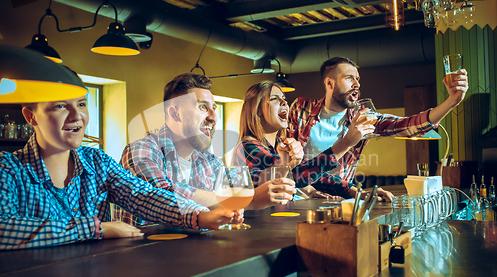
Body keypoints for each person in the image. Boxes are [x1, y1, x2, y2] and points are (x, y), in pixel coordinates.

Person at [0, 95, 240, 250]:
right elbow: (3, 228)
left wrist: (198, 215)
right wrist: (95, 228)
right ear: (30, 116)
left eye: (81, 104)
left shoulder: (97, 161)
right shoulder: (7, 169)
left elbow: (143, 195)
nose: (77, 116)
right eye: (60, 105)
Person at [116, 73, 296, 225]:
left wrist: (282, 164)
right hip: (144, 258)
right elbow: (165, 195)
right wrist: (250, 200)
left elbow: (238, 187)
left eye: (214, 108)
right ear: (174, 113)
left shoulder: (205, 158)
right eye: (203, 107)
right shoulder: (141, 150)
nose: (214, 117)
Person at [287, 57, 469, 201]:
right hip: (298, 196)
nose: (357, 84)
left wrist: (451, 102)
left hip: (338, 198)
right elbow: (290, 161)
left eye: (358, 79)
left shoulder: (362, 118)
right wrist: (309, 190)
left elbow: (408, 126)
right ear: (329, 83)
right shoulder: (302, 107)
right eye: (349, 78)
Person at [232, 80, 375, 198]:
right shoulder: (247, 147)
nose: (284, 103)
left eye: (284, 99)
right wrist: (346, 143)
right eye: (275, 99)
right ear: (257, 109)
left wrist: (359, 193)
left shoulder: (279, 144)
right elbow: (296, 174)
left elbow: (318, 176)